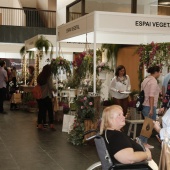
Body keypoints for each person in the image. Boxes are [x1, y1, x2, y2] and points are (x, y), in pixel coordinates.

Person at [100, 105, 158, 170]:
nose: (123, 117)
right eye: (119, 115)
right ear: (110, 120)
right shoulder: (116, 136)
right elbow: (129, 158)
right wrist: (146, 155)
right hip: (138, 166)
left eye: (122, 114)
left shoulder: (108, 133)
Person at [139, 65, 161, 149]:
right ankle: (143, 142)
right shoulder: (153, 81)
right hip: (149, 106)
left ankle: (143, 141)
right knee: (149, 125)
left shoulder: (145, 80)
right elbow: (151, 96)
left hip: (144, 105)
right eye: (159, 72)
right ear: (156, 72)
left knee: (147, 125)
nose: (160, 73)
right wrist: (152, 108)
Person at [37, 64, 57, 130]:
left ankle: (40, 124)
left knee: (41, 110)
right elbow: (51, 86)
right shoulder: (48, 76)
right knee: (50, 111)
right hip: (47, 96)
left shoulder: (40, 76)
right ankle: (51, 125)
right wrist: (56, 89)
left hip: (40, 96)